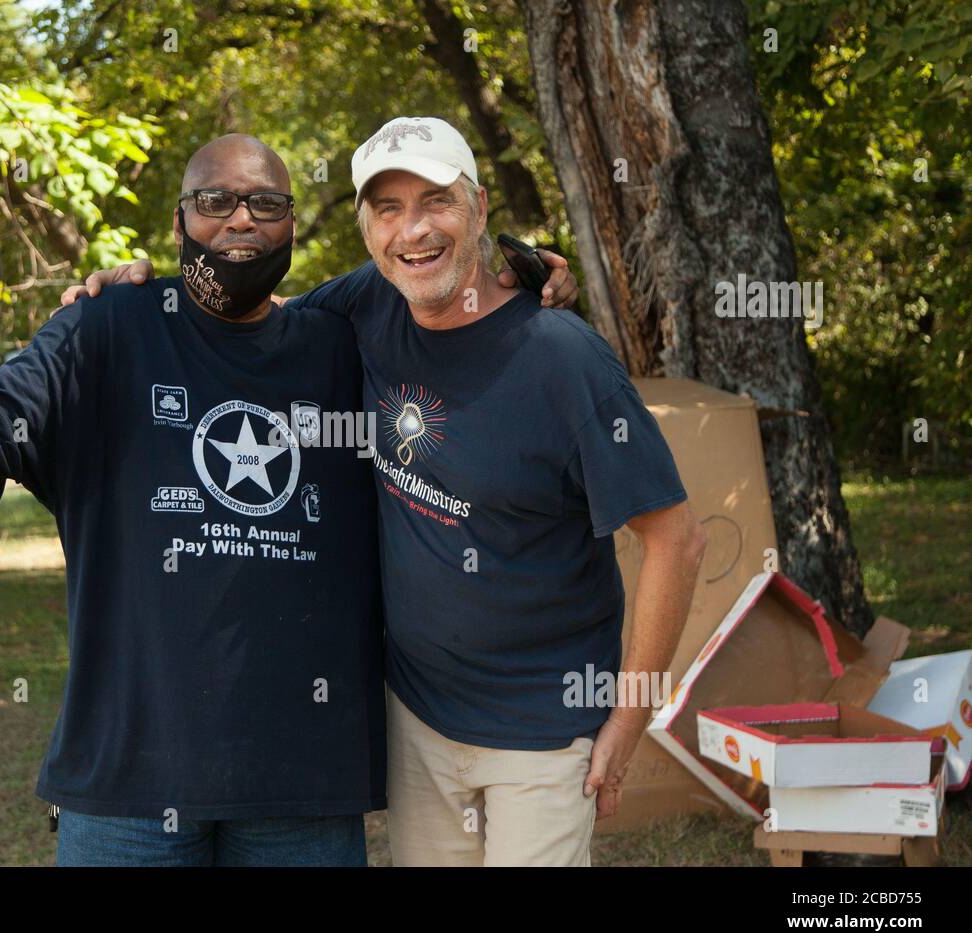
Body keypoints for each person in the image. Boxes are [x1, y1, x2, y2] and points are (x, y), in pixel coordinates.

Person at [69, 116, 706, 866]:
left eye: (437, 201)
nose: (414, 230)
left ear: (479, 212)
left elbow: (677, 539)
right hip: (417, 720)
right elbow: (244, 315)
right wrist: (141, 297)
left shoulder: (564, 360)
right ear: (367, 229)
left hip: (544, 727)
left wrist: (631, 715)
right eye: (388, 208)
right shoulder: (366, 304)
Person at [0, 134, 403, 866]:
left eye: (266, 203)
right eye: (214, 201)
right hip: (127, 784)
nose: (240, 219)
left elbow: (456, 330)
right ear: (179, 223)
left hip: (302, 786)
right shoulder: (107, 328)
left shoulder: (343, 347)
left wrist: (530, 288)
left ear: (291, 223)